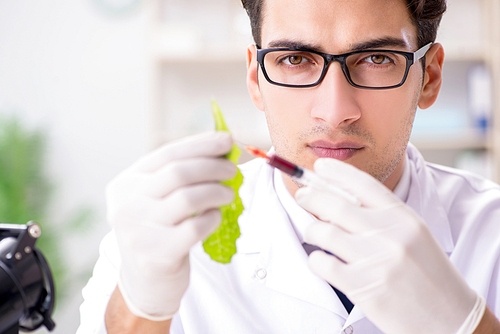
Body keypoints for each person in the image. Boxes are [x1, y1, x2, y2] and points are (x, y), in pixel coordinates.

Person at [77, 0, 500, 333]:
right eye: (296, 60)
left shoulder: (492, 233)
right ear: (255, 79)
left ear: (429, 77)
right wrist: (140, 310)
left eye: (376, 59)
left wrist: (469, 326)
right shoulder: (160, 241)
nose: (334, 113)